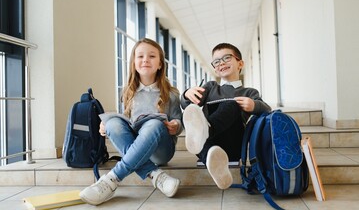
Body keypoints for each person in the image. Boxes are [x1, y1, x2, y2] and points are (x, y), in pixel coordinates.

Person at [80, 38, 183, 205]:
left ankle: (111, 180)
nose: (145, 60)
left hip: (161, 150)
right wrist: (106, 125)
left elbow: (179, 120)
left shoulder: (171, 93)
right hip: (138, 147)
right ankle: (156, 175)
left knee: (154, 124)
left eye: (151, 56)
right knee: (112, 122)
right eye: (140, 56)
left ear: (160, 65)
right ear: (134, 63)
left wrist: (175, 126)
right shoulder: (128, 92)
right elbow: (127, 121)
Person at [181, 43, 271, 190]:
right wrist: (186, 94)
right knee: (192, 120)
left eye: (227, 58)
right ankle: (214, 162)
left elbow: (267, 110)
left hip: (233, 143)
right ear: (215, 68)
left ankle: (206, 130)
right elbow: (188, 105)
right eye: (217, 61)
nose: (221, 63)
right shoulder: (210, 87)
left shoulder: (249, 92)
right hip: (207, 144)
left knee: (231, 104)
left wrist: (254, 105)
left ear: (240, 63)